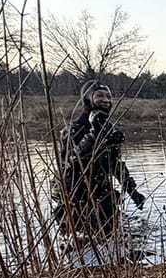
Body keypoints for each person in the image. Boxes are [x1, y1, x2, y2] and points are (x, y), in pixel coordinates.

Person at [52, 80, 146, 237]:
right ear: (87, 99)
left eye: (109, 96)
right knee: (80, 241)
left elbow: (115, 164)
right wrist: (94, 134)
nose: (106, 100)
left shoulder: (110, 129)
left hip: (101, 194)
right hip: (75, 196)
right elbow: (70, 161)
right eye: (100, 95)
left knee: (111, 235)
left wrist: (132, 190)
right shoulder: (73, 129)